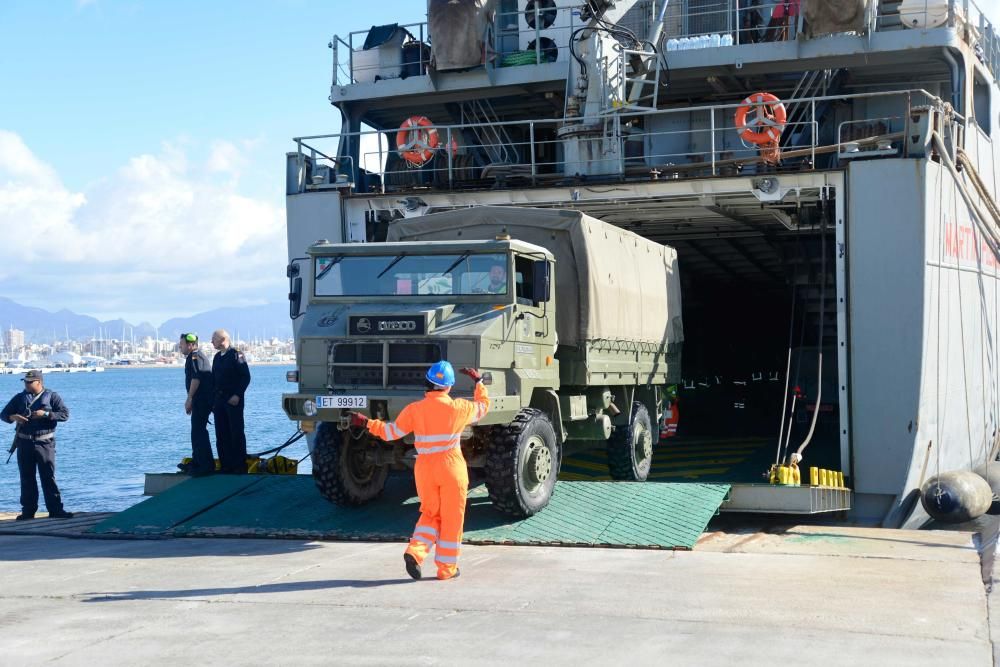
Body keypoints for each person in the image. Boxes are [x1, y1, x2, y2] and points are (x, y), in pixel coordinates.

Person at [350, 361, 489, 581]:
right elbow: (482, 408)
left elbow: (390, 432)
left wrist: (367, 423)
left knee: (430, 513)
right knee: (452, 517)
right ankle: (447, 569)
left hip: (425, 468)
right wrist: (479, 383)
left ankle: (415, 552)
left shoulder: (414, 410)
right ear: (449, 387)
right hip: (452, 467)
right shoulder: (460, 408)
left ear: (427, 383)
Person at [0, 370, 73, 520]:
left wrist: (45, 414)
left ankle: (56, 510)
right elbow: (3, 414)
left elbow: (64, 414)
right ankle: (28, 512)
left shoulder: (52, 396)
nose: (26, 384)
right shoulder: (19, 398)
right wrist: (13, 417)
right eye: (25, 382)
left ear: (38, 382)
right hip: (24, 442)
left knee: (48, 476)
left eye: (29, 382)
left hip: (45, 443)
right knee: (27, 478)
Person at [211, 329, 251, 474]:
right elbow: (213, 380)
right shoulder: (216, 357)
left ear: (223, 339)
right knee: (221, 434)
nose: (211, 342)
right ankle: (225, 465)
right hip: (219, 401)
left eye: (213, 339)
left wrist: (237, 395)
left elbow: (245, 377)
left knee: (236, 432)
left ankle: (239, 465)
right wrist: (212, 402)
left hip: (233, 401)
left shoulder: (237, 354)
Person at [180, 333, 215, 476]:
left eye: (181, 344)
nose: (179, 347)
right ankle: (199, 461)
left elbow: (196, 378)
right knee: (197, 431)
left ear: (190, 345)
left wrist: (189, 398)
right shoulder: (194, 356)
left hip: (202, 400)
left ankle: (204, 465)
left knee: (198, 431)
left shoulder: (195, 356)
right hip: (199, 400)